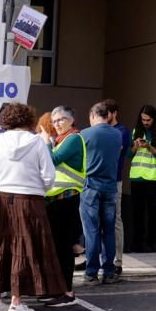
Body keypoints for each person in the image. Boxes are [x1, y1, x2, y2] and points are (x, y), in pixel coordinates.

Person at [0, 102, 67, 311]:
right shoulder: (36, 142)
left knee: (3, 246)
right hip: (30, 199)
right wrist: (39, 187)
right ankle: (16, 302)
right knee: (25, 247)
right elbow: (49, 176)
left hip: (3, 198)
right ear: (28, 119)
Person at [78, 103, 122, 284]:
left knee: (92, 230)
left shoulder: (85, 134)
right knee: (109, 230)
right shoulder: (117, 134)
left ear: (93, 115)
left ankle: (92, 272)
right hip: (110, 187)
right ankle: (109, 271)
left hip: (91, 186)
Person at [43, 106, 85, 293]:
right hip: (56, 200)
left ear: (70, 120)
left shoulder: (73, 138)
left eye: (60, 119)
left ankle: (65, 291)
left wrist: (45, 143)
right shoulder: (60, 140)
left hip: (66, 199)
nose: (56, 124)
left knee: (63, 248)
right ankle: (57, 288)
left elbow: (53, 159)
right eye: (54, 121)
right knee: (57, 247)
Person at [124, 105, 156, 253]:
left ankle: (150, 243)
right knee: (137, 213)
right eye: (143, 119)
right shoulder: (136, 131)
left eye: (148, 120)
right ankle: (136, 244)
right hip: (137, 178)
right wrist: (136, 146)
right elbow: (129, 155)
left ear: (154, 119)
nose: (145, 122)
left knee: (152, 213)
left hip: (153, 179)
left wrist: (148, 146)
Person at [104, 99, 129, 278]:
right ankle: (96, 258)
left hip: (115, 180)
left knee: (115, 221)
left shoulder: (121, 131)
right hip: (99, 180)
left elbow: (115, 150)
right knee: (96, 222)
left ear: (114, 113)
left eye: (107, 114)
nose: (104, 118)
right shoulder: (102, 130)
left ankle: (117, 261)